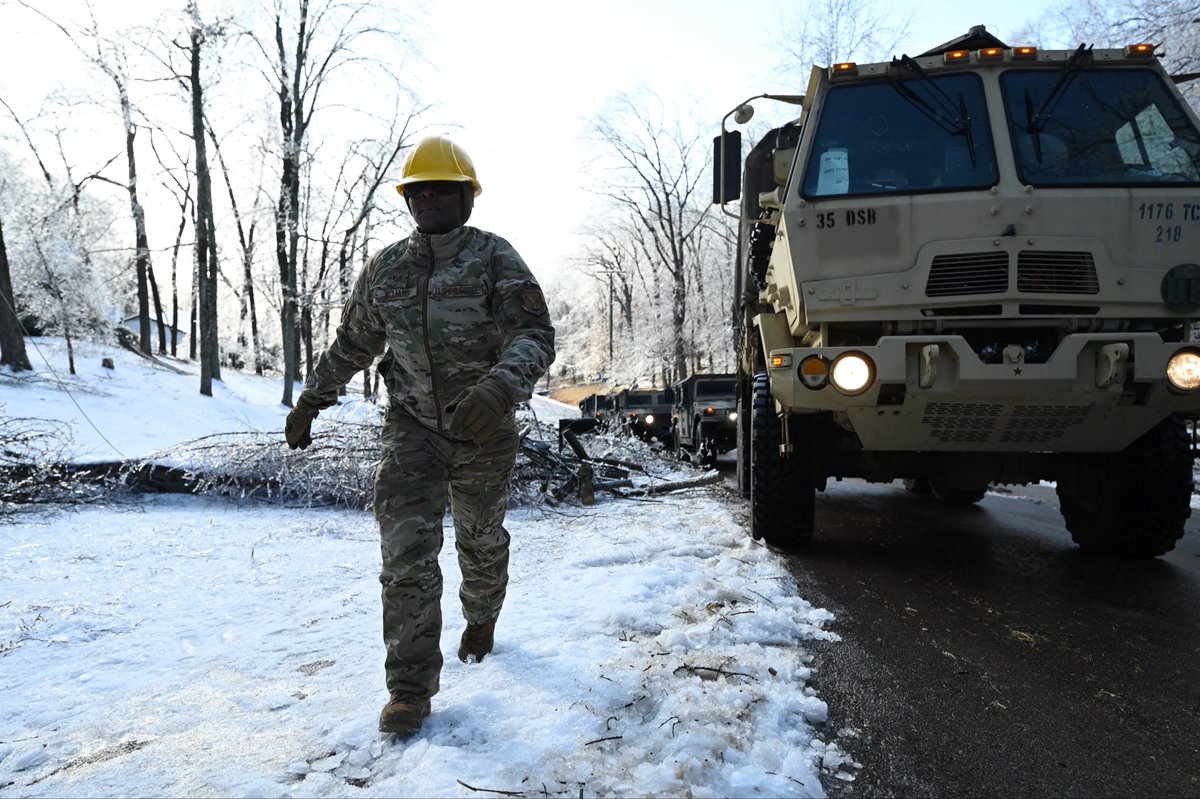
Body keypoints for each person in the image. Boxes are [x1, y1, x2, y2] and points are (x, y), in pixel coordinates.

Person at [283, 135, 555, 736]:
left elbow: (534, 335)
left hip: (483, 428)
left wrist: (501, 387)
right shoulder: (386, 268)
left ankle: (481, 615)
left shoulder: (494, 259)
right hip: (412, 430)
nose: (429, 199)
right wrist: (311, 400)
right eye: (419, 191)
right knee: (405, 556)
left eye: (442, 190)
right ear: (407, 199)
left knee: (480, 541)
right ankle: (409, 689)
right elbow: (354, 343)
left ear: (466, 197)